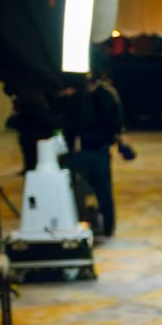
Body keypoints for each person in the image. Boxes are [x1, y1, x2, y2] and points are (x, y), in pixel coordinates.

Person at [60, 71, 125, 237]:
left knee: (84, 190)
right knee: (103, 190)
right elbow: (115, 123)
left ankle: (90, 224)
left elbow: (69, 124)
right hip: (99, 148)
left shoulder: (79, 97)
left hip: (86, 149)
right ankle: (106, 226)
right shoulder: (107, 95)